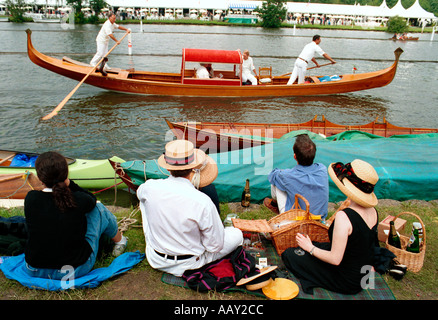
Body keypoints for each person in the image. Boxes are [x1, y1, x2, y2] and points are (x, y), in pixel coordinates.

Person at [136, 140, 243, 277]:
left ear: (168, 168)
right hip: (189, 264)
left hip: (157, 259)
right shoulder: (203, 201)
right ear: (194, 168)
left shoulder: (149, 187)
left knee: (144, 203)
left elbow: (140, 194)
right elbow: (215, 246)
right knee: (236, 234)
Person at [24, 151, 127, 280]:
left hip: (34, 269)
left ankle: (118, 240)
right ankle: (120, 241)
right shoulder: (79, 199)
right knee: (98, 209)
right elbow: (92, 199)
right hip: (74, 270)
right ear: (66, 175)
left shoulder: (31, 198)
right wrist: (70, 184)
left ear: (40, 178)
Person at [281, 159, 380, 295]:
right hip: (363, 274)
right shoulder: (373, 211)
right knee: (316, 245)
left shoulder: (344, 217)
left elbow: (335, 259)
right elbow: (367, 245)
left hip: (347, 280)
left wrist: (310, 248)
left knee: (290, 255)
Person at [264, 134, 329, 220]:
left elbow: (272, 175)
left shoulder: (288, 176)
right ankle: (275, 204)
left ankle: (275, 205)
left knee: (276, 183)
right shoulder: (322, 169)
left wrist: (283, 172)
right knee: (284, 182)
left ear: (295, 156)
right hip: (319, 218)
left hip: (297, 219)